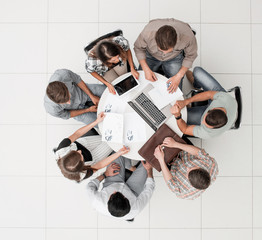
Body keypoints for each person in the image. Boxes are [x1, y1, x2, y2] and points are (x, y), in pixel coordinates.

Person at [55, 112, 130, 182]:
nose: (79, 151)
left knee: (106, 137)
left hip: (84, 144)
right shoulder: (82, 174)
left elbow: (77, 134)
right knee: (112, 142)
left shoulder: (62, 149)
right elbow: (99, 165)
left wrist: (96, 121)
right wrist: (118, 153)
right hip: (94, 158)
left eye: (75, 152)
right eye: (80, 155)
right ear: (82, 165)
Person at [171, 67, 238, 139]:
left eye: (205, 124)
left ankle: (184, 111)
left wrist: (178, 116)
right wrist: (187, 101)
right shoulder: (225, 99)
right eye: (204, 119)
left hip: (218, 104)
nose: (202, 122)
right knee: (197, 71)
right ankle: (195, 84)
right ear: (213, 108)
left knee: (173, 115)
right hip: (219, 97)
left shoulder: (208, 133)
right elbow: (209, 94)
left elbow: (185, 129)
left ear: (213, 127)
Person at [134, 18, 197, 93]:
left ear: (176, 40)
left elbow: (191, 56)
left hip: (174, 57)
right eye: (161, 50)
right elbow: (138, 48)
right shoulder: (147, 33)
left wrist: (179, 76)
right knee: (142, 83)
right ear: (155, 39)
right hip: (151, 55)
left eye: (168, 51)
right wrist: (146, 69)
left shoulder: (188, 36)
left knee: (175, 88)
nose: (164, 53)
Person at [87, 156, 155, 220]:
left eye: (113, 194)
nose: (115, 191)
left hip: (112, 183)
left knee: (117, 152)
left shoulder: (97, 201)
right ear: (127, 200)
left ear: (108, 200)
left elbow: (91, 185)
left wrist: (105, 174)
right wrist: (149, 170)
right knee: (149, 160)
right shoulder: (135, 209)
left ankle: (129, 166)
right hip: (132, 191)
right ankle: (131, 166)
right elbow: (149, 188)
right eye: (123, 196)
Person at [154, 137, 218, 200]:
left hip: (171, 166)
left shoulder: (184, 193)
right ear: (200, 168)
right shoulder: (210, 164)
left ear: (189, 181)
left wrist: (161, 159)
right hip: (184, 150)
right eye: (192, 167)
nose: (187, 168)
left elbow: (170, 182)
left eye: (187, 172)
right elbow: (198, 152)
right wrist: (175, 144)